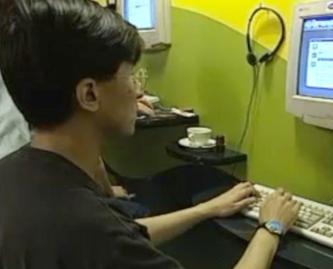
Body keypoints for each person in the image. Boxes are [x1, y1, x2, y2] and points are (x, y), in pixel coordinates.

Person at [0, 1, 300, 268]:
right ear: (89, 94)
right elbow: (109, 241)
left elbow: (129, 236)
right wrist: (270, 228)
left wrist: (206, 210)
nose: (138, 90)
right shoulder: (88, 228)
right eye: (130, 75)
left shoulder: (15, 174)